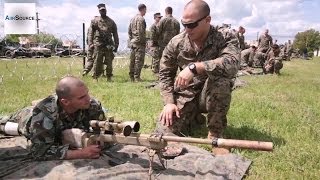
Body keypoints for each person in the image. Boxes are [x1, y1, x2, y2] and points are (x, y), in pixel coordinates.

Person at [156, 0, 240, 155]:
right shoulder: (177, 42)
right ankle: (193, 118)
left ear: (207, 20)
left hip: (211, 92)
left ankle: (215, 134)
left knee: (221, 81)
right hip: (187, 95)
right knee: (164, 129)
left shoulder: (225, 36)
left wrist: (195, 68)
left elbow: (232, 63)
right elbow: (165, 73)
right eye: (184, 24)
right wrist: (168, 103)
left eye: (192, 24)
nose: (187, 29)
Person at [0, 76, 106, 160]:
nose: (88, 99)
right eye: (81, 97)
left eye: (87, 93)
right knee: (6, 125)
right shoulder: (44, 114)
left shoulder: (92, 105)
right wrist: (80, 153)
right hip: (26, 118)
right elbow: (39, 151)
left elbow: (102, 132)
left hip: (57, 121)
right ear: (65, 101)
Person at [87, 3, 119, 81]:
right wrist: (90, 43)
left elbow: (115, 33)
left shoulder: (111, 21)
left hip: (108, 44)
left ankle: (109, 77)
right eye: (101, 10)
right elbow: (90, 33)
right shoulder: (95, 21)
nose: (103, 12)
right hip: (98, 43)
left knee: (109, 62)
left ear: (106, 10)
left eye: (104, 10)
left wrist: (116, 44)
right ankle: (95, 77)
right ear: (99, 11)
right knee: (97, 61)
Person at [128, 4, 147, 82]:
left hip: (133, 42)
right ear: (143, 9)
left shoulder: (132, 19)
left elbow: (129, 31)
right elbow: (141, 32)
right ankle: (137, 77)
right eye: (145, 10)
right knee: (139, 61)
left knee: (132, 60)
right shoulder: (141, 19)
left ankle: (131, 76)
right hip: (139, 43)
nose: (146, 11)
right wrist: (143, 42)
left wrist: (132, 39)